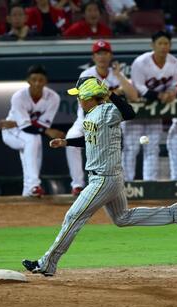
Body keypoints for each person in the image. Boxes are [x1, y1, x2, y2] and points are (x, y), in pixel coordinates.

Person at [22, 77, 177, 277]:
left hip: (104, 179)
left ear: (89, 96)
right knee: (122, 218)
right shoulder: (91, 115)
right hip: (109, 178)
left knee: (73, 216)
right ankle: (175, 214)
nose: (78, 99)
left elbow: (130, 113)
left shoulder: (106, 110)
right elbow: (89, 140)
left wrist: (110, 94)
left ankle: (47, 263)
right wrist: (66, 143)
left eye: (80, 95)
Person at [66, 40, 138, 195]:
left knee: (126, 143)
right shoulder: (86, 75)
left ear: (110, 55)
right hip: (87, 117)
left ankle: (126, 182)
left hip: (112, 118)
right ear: (93, 57)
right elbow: (87, 104)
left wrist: (119, 75)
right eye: (98, 53)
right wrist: (113, 94)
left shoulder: (117, 73)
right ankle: (77, 184)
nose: (102, 57)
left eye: (105, 53)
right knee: (71, 137)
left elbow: (134, 96)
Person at [0, 65, 65, 197]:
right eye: (34, 80)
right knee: (33, 139)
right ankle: (33, 185)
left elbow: (38, 125)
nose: (37, 83)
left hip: (19, 127)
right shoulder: (19, 97)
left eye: (41, 80)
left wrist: (17, 123)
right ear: (28, 81)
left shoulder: (53, 97)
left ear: (46, 82)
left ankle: (29, 191)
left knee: (34, 142)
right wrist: (47, 131)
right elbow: (29, 127)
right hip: (11, 132)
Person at [125, 31, 177, 181]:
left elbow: (176, 84)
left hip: (155, 111)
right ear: (153, 45)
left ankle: (150, 182)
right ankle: (125, 184)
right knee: (131, 148)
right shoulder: (140, 62)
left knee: (152, 147)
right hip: (136, 111)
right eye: (160, 43)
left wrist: (171, 92)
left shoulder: (175, 62)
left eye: (166, 43)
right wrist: (159, 96)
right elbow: (139, 87)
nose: (163, 47)